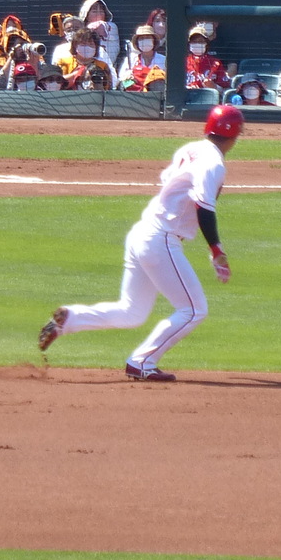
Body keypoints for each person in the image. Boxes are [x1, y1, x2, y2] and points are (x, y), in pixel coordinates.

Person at [37, 104, 241, 382]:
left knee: (132, 312)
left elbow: (172, 183)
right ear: (235, 135)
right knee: (194, 310)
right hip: (161, 239)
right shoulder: (214, 163)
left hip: (142, 233)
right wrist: (216, 249)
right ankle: (142, 361)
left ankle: (70, 319)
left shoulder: (192, 148)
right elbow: (204, 207)